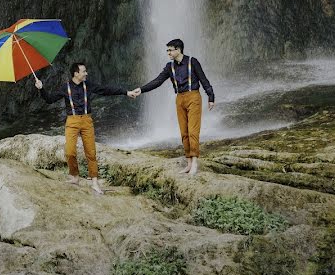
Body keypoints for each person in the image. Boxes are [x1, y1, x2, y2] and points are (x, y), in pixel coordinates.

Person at [36, 62, 135, 194]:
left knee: (91, 153)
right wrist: (41, 88)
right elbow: (49, 99)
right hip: (72, 121)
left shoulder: (88, 85)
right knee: (70, 152)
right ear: (76, 73)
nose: (86, 73)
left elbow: (106, 90)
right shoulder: (65, 87)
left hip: (87, 121)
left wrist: (126, 92)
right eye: (84, 71)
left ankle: (94, 182)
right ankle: (75, 176)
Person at [128, 39, 215, 175]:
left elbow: (204, 79)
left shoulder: (193, 61)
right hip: (179, 98)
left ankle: (195, 162)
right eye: (167, 50)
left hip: (193, 97)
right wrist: (141, 89)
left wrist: (211, 97)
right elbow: (157, 81)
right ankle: (188, 163)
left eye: (170, 50)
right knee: (184, 132)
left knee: (193, 131)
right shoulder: (170, 67)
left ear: (178, 50)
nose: (168, 52)